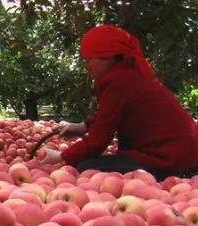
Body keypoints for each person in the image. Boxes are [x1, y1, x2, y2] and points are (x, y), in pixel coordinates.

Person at [41, 25, 198, 181]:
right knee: (99, 163)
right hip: (185, 153)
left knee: (87, 167)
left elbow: (98, 142)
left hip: (170, 159)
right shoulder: (130, 73)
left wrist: (61, 156)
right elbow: (112, 114)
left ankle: (178, 175)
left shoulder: (117, 81)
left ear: (107, 58)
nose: (87, 66)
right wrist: (84, 126)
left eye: (89, 60)